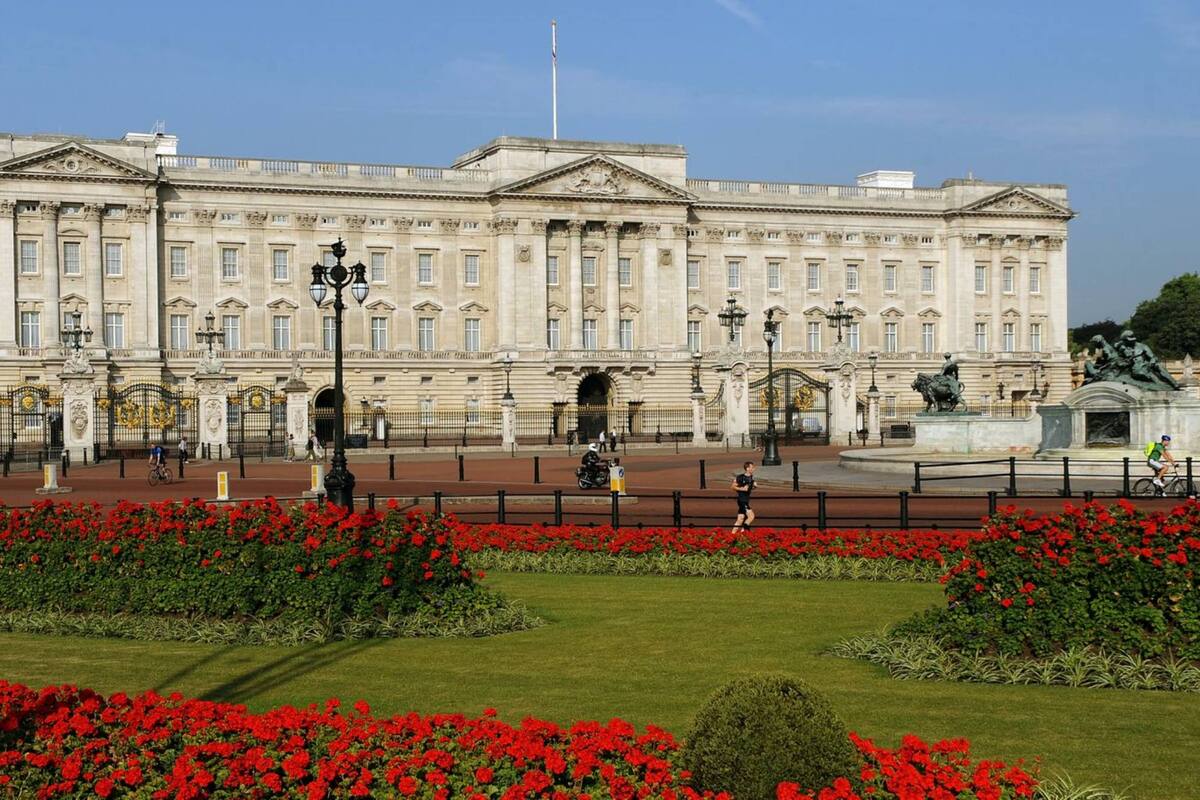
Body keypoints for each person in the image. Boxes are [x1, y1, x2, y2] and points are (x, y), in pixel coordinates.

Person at [731, 461, 756, 533]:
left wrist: (754, 486)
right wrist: (742, 489)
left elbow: (749, 488)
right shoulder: (740, 477)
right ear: (747, 468)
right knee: (751, 516)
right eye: (752, 467)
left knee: (740, 519)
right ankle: (743, 531)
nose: (753, 469)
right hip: (742, 500)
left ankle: (732, 535)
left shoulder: (751, 478)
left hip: (745, 500)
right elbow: (732, 487)